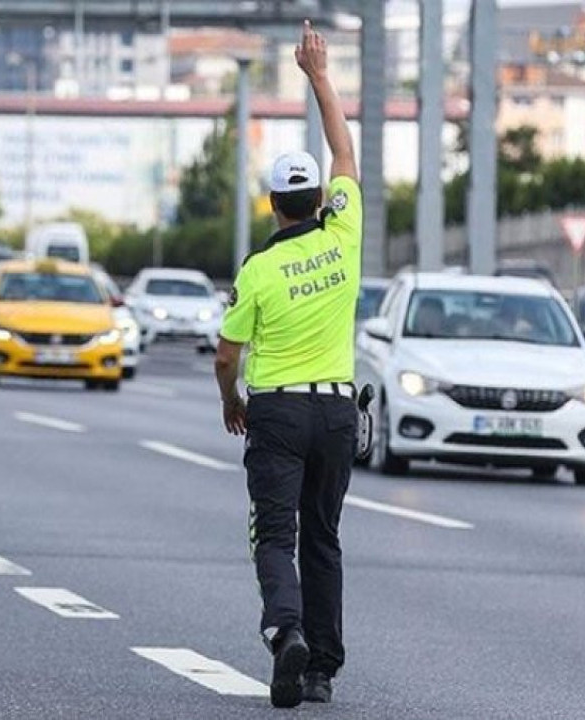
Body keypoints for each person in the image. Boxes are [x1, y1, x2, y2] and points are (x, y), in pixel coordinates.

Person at [213, 20, 361, 710]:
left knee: (275, 532)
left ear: (274, 206)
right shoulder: (346, 233)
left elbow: (226, 354)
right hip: (336, 410)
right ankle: (322, 669)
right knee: (323, 537)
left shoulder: (261, 269)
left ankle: (287, 629)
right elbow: (344, 150)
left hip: (275, 410)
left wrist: (231, 401)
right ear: (318, 200)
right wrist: (319, 75)